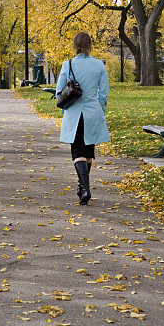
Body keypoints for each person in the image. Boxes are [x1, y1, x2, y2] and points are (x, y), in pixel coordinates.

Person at [55, 32, 109, 204]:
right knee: (88, 152)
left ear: (74, 46)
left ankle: (85, 189)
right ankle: (82, 185)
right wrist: (100, 109)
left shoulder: (67, 64)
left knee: (77, 152)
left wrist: (65, 110)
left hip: (74, 113)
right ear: (90, 45)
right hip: (93, 112)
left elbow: (59, 92)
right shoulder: (99, 65)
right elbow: (104, 93)